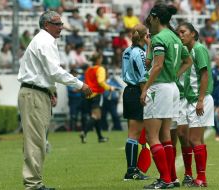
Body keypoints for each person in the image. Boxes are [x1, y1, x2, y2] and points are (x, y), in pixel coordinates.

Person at [17, 10, 92, 190]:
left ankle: (35, 182)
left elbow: (45, 72)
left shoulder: (42, 40)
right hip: (34, 93)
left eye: (61, 23)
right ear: (46, 25)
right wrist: (79, 84)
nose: (61, 27)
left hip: (36, 92)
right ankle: (33, 184)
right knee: (36, 141)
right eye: (57, 24)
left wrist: (50, 91)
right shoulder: (45, 41)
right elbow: (54, 71)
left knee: (38, 140)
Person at [141, 4, 192, 189]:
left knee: (151, 136)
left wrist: (145, 88)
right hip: (172, 88)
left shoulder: (160, 37)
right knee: (165, 136)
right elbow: (188, 60)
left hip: (159, 88)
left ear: (155, 17)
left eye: (150, 17)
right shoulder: (175, 37)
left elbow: (157, 65)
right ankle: (172, 178)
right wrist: (175, 74)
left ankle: (165, 179)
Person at [177, 22, 214, 187]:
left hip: (200, 100)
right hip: (194, 99)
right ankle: (201, 178)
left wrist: (200, 100)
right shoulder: (190, 51)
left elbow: (204, 74)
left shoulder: (198, 49)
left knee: (193, 139)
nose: (181, 35)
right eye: (179, 33)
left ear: (193, 33)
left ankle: (201, 178)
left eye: (183, 32)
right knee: (195, 139)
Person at [121, 24, 150, 181]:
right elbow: (142, 75)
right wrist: (144, 92)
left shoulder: (127, 51)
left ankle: (132, 169)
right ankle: (131, 171)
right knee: (134, 134)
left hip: (128, 91)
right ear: (145, 36)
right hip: (138, 91)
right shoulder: (140, 53)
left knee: (132, 133)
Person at [80, 52, 114, 143]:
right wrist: (109, 87)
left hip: (88, 95)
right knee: (96, 115)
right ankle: (84, 131)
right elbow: (100, 82)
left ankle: (100, 137)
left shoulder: (88, 70)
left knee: (96, 117)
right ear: (98, 59)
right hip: (97, 94)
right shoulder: (100, 69)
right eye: (101, 58)